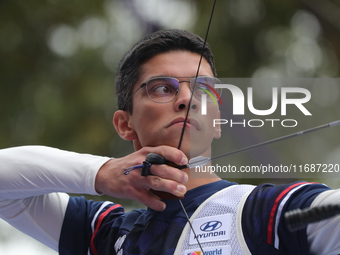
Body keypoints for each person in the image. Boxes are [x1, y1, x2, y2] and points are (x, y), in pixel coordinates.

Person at [0, 29, 339, 255]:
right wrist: (101, 172)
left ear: (217, 121)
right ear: (124, 124)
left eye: (203, 89)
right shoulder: (105, 233)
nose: (188, 99)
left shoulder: (269, 211)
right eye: (163, 87)